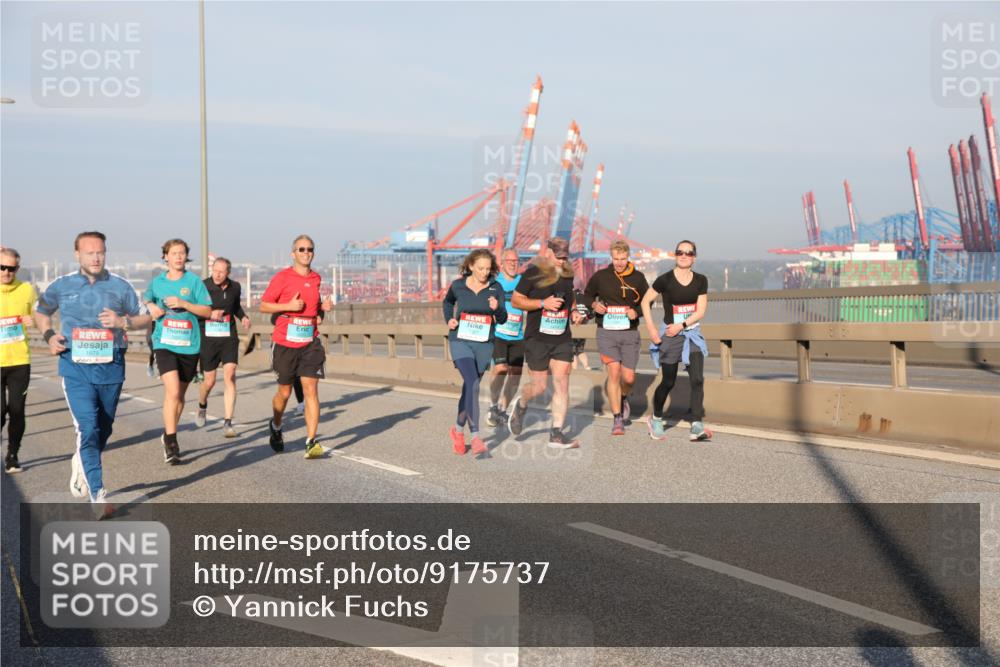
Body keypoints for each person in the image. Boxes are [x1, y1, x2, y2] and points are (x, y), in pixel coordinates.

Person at [33, 231, 151, 514]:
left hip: (111, 368)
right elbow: (41, 312)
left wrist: (123, 322)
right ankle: (98, 496)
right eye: (89, 253)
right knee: (87, 428)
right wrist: (49, 335)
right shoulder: (62, 285)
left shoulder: (120, 286)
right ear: (77, 255)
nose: (96, 258)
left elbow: (145, 316)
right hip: (75, 368)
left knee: (104, 428)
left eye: (100, 252)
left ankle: (81, 460)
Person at [508, 237, 585, 449]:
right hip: (537, 338)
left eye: (565, 257)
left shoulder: (568, 274)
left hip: (561, 336)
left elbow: (571, 298)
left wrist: (575, 311)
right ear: (548, 252)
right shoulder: (533, 273)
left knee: (562, 382)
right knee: (539, 387)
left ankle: (556, 434)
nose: (562, 261)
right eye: (559, 257)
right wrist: (543, 303)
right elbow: (516, 300)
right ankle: (521, 403)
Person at [260, 234, 333, 458]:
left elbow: (315, 311)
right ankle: (276, 425)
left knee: (311, 389)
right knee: (284, 392)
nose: (306, 253)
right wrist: (289, 306)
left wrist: (322, 309)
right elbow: (264, 306)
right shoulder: (282, 277)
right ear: (293, 254)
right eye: (301, 249)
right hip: (285, 343)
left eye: (310, 249)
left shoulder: (316, 278)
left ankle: (311, 441)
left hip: (310, 342)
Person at [144, 239, 212, 464]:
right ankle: (172, 443)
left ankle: (167, 433)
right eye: (174, 253)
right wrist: (151, 306)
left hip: (189, 345)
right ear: (166, 256)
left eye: (182, 253)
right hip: (164, 344)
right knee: (172, 391)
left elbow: (207, 311)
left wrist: (184, 303)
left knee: (179, 396)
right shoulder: (158, 282)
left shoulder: (194, 282)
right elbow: (146, 297)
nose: (179, 257)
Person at [640, 239, 711, 441]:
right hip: (670, 335)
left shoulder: (701, 280)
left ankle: (696, 425)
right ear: (675, 255)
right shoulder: (665, 280)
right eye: (680, 252)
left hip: (692, 334)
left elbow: (701, 311)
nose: (684, 256)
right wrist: (652, 330)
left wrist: (683, 325)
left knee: (697, 379)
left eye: (688, 253)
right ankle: (656, 419)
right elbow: (645, 301)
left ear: (694, 257)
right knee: (668, 381)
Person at [444, 249, 507, 455]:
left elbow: (503, 318)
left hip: (483, 344)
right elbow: (448, 302)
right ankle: (476, 437)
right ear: (471, 266)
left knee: (469, 389)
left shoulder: (495, 287)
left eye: (488, 269)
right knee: (473, 383)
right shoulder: (458, 285)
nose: (484, 273)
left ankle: (457, 431)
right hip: (460, 341)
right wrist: (449, 319)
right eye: (480, 268)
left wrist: (497, 308)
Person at [584, 240, 650, 436]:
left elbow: (647, 301)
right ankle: (617, 419)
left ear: (628, 257)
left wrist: (637, 312)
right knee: (613, 373)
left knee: (628, 378)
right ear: (611, 258)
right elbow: (586, 296)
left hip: (630, 333)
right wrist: (594, 305)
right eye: (616, 259)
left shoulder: (638, 278)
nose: (619, 263)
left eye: (622, 259)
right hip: (606, 332)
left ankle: (622, 397)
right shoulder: (601, 276)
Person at [194, 257, 251, 437]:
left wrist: (243, 317)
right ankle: (202, 405)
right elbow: (194, 311)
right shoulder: (202, 286)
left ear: (228, 273)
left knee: (230, 374)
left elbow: (236, 307)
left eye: (221, 272)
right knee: (209, 381)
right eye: (215, 270)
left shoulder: (235, 287)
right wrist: (210, 314)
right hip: (208, 339)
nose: (217, 274)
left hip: (228, 338)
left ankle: (228, 422)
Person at [1, 247, 37, 473]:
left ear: (17, 269)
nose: (6, 272)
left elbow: (40, 315)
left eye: (11, 268)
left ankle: (12, 455)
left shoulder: (27, 290)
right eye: (1, 267)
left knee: (17, 410)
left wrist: (33, 320)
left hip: (19, 361)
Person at [485, 247, 524, 429]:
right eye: (509, 261)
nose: (513, 264)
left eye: (516, 261)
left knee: (515, 374)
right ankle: (493, 405)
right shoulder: (494, 283)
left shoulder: (523, 282)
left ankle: (501, 410)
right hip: (498, 333)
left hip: (518, 335)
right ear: (502, 264)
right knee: (501, 368)